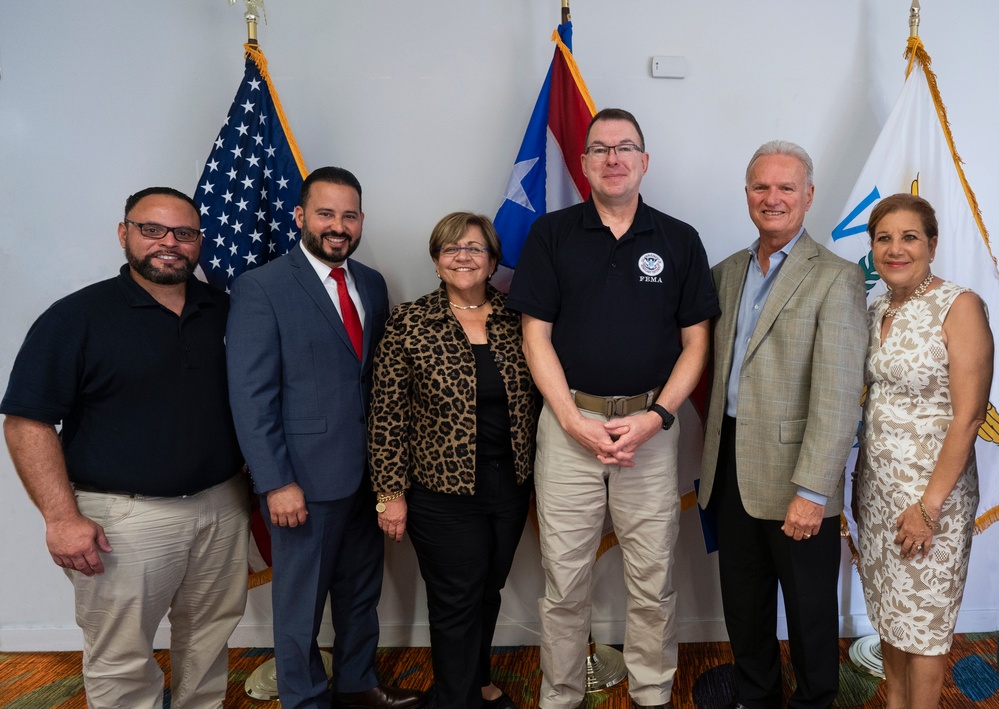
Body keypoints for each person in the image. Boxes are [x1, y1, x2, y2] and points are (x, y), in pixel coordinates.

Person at [1, 187, 249, 709]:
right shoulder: (76, 317)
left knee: (209, 639)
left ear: (199, 242)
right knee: (121, 656)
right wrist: (60, 517)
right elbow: (27, 422)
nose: (169, 244)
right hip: (122, 519)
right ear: (124, 234)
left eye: (184, 233)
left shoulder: (226, 310)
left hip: (221, 506)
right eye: (152, 230)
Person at [507, 108, 719, 709]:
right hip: (569, 426)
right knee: (564, 584)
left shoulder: (678, 239)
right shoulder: (551, 235)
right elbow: (535, 337)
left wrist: (655, 419)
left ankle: (652, 695)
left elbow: (696, 343)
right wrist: (573, 421)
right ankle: (562, 696)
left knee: (652, 585)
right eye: (600, 149)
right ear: (583, 164)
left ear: (644, 161)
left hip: (650, 430)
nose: (613, 158)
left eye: (626, 148)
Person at [226, 167, 425, 709]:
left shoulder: (372, 283)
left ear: (361, 221)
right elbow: (251, 396)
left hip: (368, 478)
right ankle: (306, 698)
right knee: (301, 606)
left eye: (349, 215)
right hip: (303, 482)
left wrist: (389, 476)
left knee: (361, 595)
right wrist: (275, 481)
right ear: (300, 217)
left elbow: (377, 382)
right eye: (326, 214)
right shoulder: (261, 287)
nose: (338, 226)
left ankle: (358, 685)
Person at [698, 140, 868, 709]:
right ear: (746, 194)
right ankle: (756, 697)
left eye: (786, 187)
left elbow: (840, 393)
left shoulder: (837, 277)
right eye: (760, 187)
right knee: (744, 608)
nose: (772, 198)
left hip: (799, 480)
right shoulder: (725, 272)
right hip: (728, 471)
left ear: (809, 195)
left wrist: (813, 490)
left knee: (809, 612)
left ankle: (817, 700)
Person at [368, 212, 540, 709]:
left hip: (509, 486)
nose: (462, 256)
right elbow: (386, 414)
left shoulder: (518, 318)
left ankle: (478, 682)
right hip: (440, 493)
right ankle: (455, 698)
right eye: (450, 248)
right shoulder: (410, 322)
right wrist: (389, 493)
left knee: (488, 590)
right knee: (456, 600)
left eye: (474, 247)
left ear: (493, 261)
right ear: (437, 261)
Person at [855, 193, 993, 709]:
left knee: (926, 627)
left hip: (932, 500)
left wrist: (928, 508)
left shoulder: (959, 306)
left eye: (909, 237)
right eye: (884, 238)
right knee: (891, 613)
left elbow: (969, 417)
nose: (896, 248)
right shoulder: (875, 309)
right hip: (877, 494)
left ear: (932, 245)